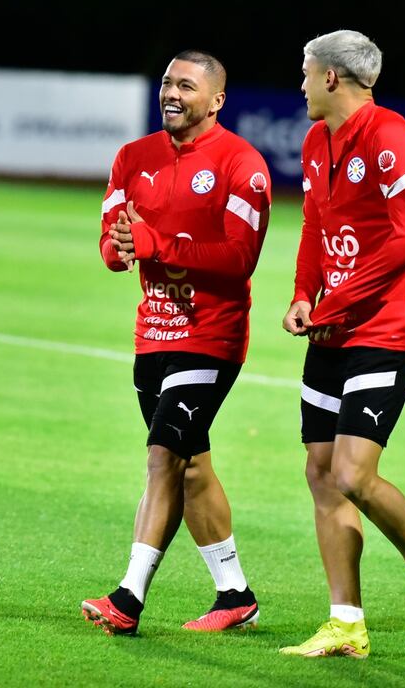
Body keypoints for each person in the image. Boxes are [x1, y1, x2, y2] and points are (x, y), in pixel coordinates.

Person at [82, 50, 272, 636]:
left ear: (215, 100)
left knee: (163, 456)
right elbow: (114, 250)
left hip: (211, 337)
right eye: (167, 81)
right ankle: (234, 593)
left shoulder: (244, 165)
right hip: (153, 333)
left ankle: (128, 598)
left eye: (186, 85)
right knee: (189, 470)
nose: (171, 92)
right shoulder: (132, 157)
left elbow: (241, 259)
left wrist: (158, 243)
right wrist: (121, 246)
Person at [279, 30, 405, 659]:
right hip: (332, 325)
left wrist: (339, 301)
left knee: (354, 474)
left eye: (305, 72)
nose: (299, 83)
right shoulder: (314, 141)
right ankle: (345, 621)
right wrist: (304, 293)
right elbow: (314, 227)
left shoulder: (390, 137)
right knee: (321, 474)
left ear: (331, 77)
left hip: (386, 331)